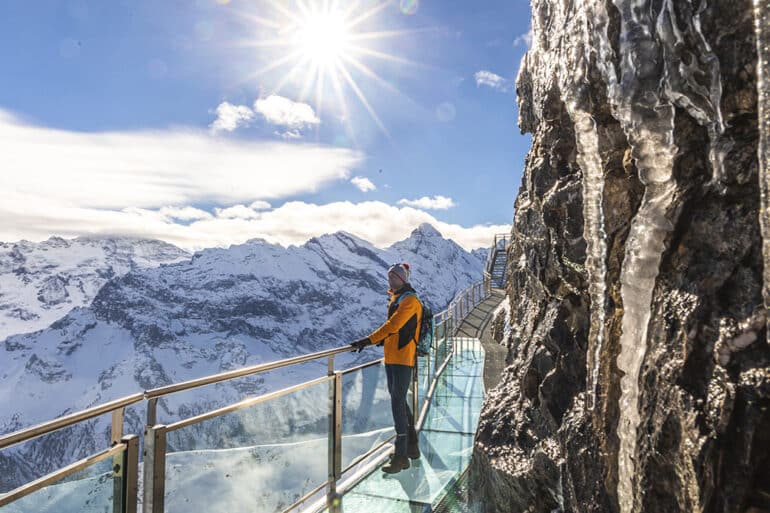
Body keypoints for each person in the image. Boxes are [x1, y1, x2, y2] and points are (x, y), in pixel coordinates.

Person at [350, 262, 422, 474]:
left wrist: (369, 340)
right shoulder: (398, 298)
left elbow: (394, 325)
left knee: (397, 403)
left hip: (402, 358)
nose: (391, 280)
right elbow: (396, 329)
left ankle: (401, 457)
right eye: (390, 277)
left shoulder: (409, 300)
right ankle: (412, 447)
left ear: (404, 279)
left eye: (396, 277)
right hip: (393, 356)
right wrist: (382, 341)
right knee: (399, 401)